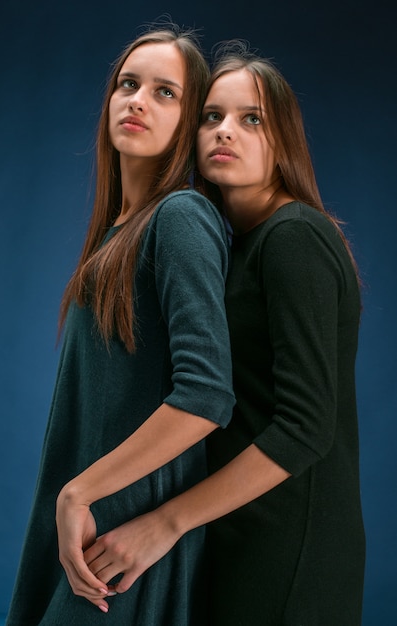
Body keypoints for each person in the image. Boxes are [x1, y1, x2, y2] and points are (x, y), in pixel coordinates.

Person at [79, 44, 365, 625]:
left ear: (282, 139)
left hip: (288, 544)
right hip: (236, 528)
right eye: (212, 117)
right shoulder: (240, 243)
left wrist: (166, 521)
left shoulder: (294, 236)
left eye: (250, 118)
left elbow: (307, 427)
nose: (224, 132)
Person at [5, 26, 236, 626]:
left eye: (165, 93)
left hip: (122, 549)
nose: (136, 99)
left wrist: (80, 492)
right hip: (91, 538)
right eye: (128, 84)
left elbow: (207, 396)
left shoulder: (180, 217)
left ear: (189, 124)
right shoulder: (117, 235)